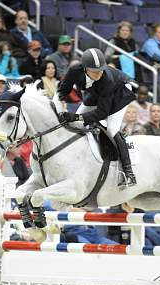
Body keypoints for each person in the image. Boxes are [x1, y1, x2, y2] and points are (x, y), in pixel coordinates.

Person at [57, 48, 137, 188]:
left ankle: (129, 173)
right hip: (96, 93)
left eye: (101, 69)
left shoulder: (107, 79)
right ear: (85, 69)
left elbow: (101, 113)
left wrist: (75, 116)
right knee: (77, 125)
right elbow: (63, 90)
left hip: (120, 93)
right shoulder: (75, 70)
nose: (100, 72)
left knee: (112, 129)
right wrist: (56, 107)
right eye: (95, 70)